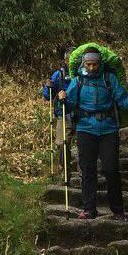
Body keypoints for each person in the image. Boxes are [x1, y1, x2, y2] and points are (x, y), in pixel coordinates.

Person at [58, 48, 128, 220]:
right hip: (85, 129)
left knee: (111, 170)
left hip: (108, 129)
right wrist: (62, 99)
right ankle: (89, 209)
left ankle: (117, 210)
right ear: (83, 63)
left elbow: (123, 101)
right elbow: (68, 105)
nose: (92, 67)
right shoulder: (78, 81)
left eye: (95, 64)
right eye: (89, 64)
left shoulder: (109, 78)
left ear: (100, 63)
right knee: (88, 170)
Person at [41, 48, 74, 181]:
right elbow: (47, 96)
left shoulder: (82, 73)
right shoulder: (59, 74)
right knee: (62, 143)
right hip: (63, 113)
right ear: (65, 60)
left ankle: (83, 171)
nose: (71, 62)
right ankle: (64, 169)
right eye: (69, 59)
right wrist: (48, 87)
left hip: (80, 112)